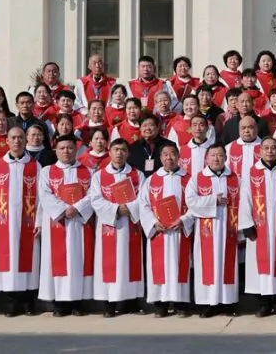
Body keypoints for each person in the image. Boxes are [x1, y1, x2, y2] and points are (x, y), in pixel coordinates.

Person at [0, 126, 41, 317]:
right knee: (7, 264)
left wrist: (39, 221)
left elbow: (41, 197)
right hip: (4, 223)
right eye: (13, 138)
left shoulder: (34, 165)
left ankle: (29, 303)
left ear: (26, 140)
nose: (17, 141)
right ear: (7, 140)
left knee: (29, 263)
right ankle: (11, 304)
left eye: (21, 138)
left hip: (28, 223)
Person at [238, 137, 276, 317]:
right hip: (260, 227)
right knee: (261, 268)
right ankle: (263, 304)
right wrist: (247, 224)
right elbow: (245, 198)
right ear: (260, 151)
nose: (270, 151)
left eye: (273, 148)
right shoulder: (252, 172)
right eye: (266, 148)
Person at [38, 134, 96, 316]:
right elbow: (45, 195)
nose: (66, 151)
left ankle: (78, 303)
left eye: (70, 148)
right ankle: (59, 304)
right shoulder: (47, 171)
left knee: (79, 262)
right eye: (62, 148)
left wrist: (77, 208)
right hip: (57, 223)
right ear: (56, 150)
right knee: (57, 262)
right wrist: (64, 210)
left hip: (80, 222)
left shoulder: (88, 171)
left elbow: (93, 194)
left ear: (76, 150)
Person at [89, 139, 144, 317]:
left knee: (130, 263)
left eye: (122, 150)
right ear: (109, 152)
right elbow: (95, 200)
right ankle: (109, 304)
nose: (119, 153)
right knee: (109, 265)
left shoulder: (137, 175)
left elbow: (143, 198)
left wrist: (129, 208)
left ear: (127, 153)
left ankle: (132, 302)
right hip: (109, 225)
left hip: (130, 224)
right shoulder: (99, 176)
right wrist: (115, 210)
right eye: (115, 150)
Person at [139, 141, 194, 317]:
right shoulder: (152, 180)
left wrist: (184, 219)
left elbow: (196, 204)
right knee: (159, 267)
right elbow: (143, 205)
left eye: (172, 154)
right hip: (160, 232)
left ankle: (180, 304)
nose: (169, 158)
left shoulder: (189, 179)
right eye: (165, 154)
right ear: (160, 158)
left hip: (179, 231)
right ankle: (160, 305)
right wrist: (153, 223)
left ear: (179, 157)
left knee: (180, 266)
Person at [185, 144, 240, 317]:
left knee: (227, 265)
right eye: (213, 155)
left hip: (228, 229)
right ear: (206, 158)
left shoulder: (235, 178)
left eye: (220, 155)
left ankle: (227, 303)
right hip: (206, 231)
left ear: (225, 158)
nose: (216, 159)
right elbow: (190, 202)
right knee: (206, 266)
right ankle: (208, 304)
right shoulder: (197, 178)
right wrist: (212, 201)